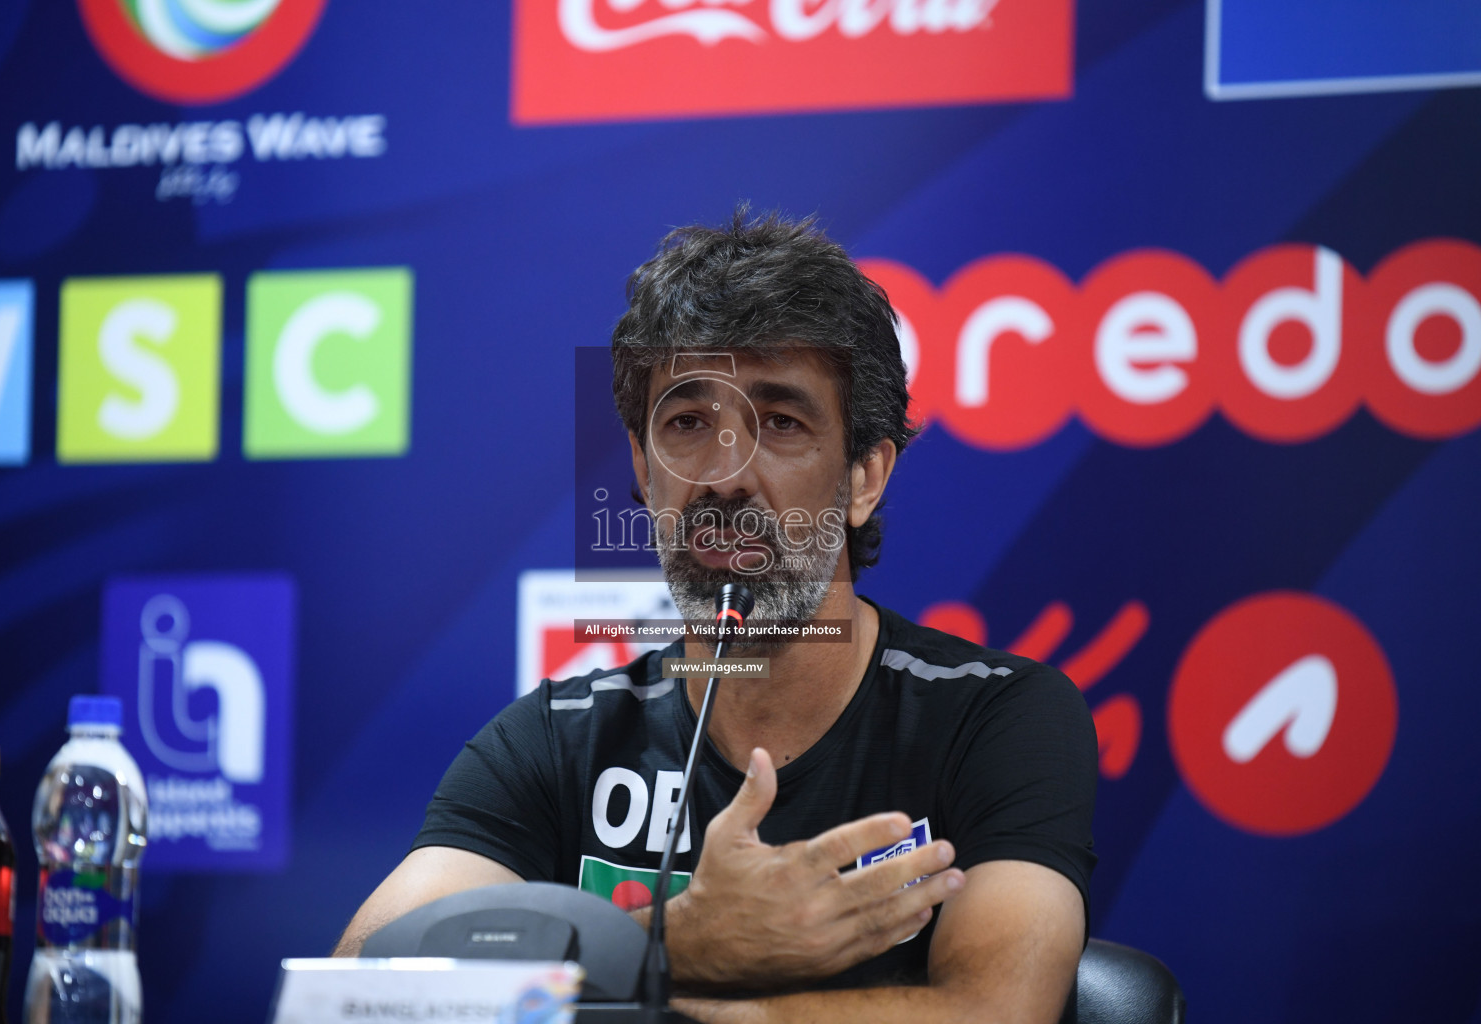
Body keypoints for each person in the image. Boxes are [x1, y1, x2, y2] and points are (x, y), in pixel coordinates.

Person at [335, 210, 1098, 1024]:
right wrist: (677, 946)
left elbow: (999, 1010)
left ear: (864, 478)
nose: (725, 476)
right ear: (642, 466)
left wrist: (737, 1010)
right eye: (688, 423)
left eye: (781, 422)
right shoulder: (559, 741)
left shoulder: (993, 720)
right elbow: (356, 995)